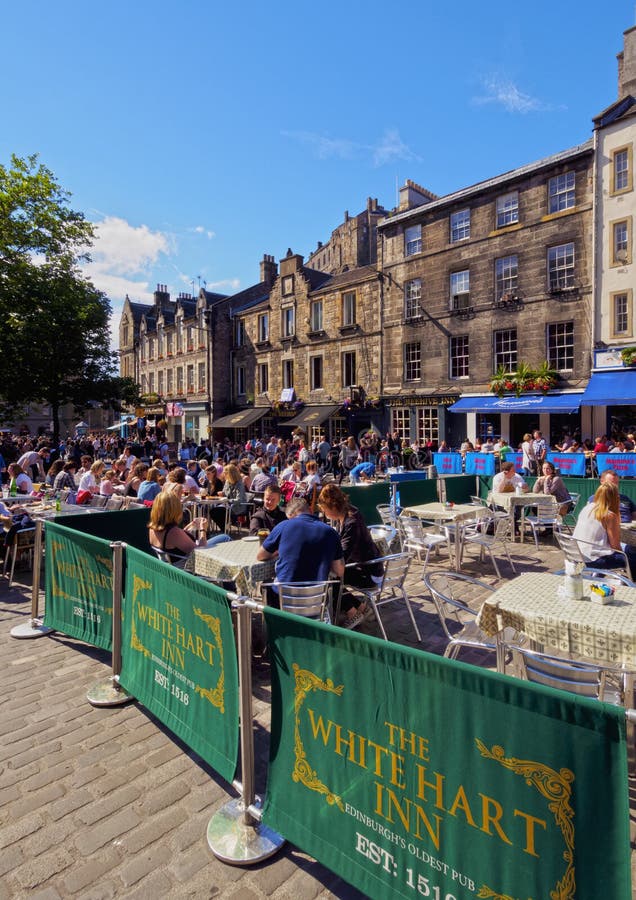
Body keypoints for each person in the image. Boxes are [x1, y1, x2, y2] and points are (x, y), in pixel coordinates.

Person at [256, 497, 344, 608]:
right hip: (316, 601)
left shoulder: (283, 526)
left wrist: (275, 553)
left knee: (265, 585)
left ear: (291, 515)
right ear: (310, 511)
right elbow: (339, 571)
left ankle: (273, 623)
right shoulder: (331, 532)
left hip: (284, 601)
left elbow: (260, 555)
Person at [318, 484, 382, 628]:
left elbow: (342, 557)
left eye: (324, 510)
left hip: (368, 573)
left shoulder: (351, 523)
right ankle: (360, 607)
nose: (324, 513)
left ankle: (352, 613)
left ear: (332, 507)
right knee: (332, 577)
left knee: (329, 579)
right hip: (371, 566)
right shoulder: (351, 511)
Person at [574, 482, 636, 575]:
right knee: (631, 555)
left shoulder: (587, 508)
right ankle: (632, 585)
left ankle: (598, 576)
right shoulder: (609, 515)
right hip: (593, 560)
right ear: (615, 497)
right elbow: (615, 546)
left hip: (577, 556)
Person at [148, 491, 230, 561]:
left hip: (173, 564)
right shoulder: (173, 532)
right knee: (225, 538)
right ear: (174, 509)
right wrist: (203, 529)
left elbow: (175, 542)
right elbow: (201, 552)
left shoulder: (152, 528)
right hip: (186, 566)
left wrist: (190, 526)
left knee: (223, 537)